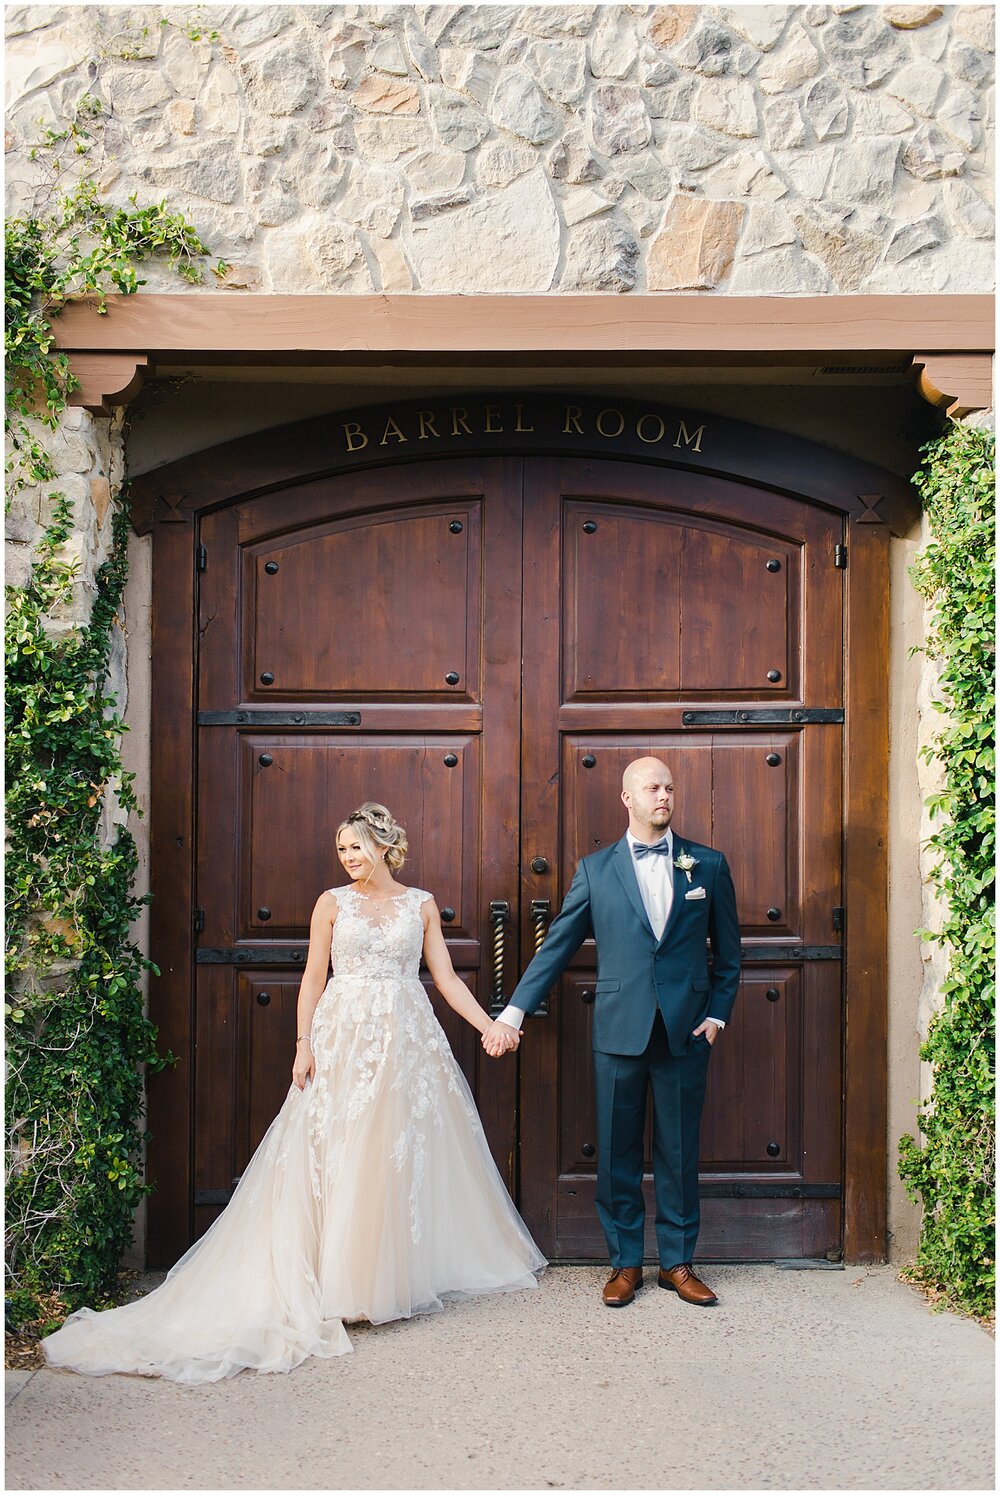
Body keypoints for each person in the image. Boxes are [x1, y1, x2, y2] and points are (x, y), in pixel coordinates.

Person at [44, 803, 545, 1384]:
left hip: (406, 1040)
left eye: (355, 846)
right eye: (342, 849)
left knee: (387, 1154)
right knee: (335, 1149)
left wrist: (490, 1026)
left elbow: (447, 977)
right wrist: (304, 1043)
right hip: (343, 1034)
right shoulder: (331, 904)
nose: (348, 857)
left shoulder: (421, 904)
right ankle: (333, 1281)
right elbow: (313, 976)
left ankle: (371, 1282)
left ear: (384, 846)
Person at [484, 758, 740, 1309]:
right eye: (652, 787)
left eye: (669, 786)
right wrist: (513, 1013)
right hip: (619, 1031)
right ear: (627, 798)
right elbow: (557, 946)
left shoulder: (709, 866)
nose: (664, 795)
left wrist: (717, 1015)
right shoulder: (596, 871)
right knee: (617, 1154)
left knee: (678, 1151)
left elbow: (730, 955)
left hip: (685, 1032)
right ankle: (625, 1262)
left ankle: (677, 1262)